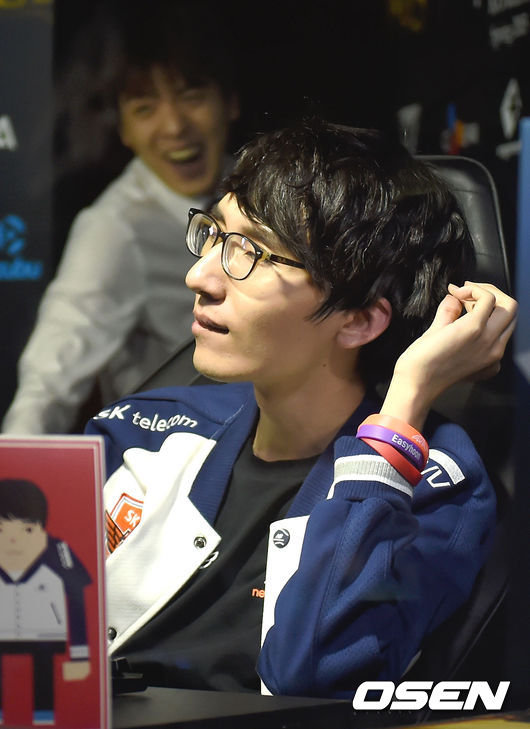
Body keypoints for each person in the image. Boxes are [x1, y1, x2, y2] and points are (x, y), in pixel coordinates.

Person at [87, 119, 517, 698]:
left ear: (358, 320)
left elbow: (316, 676)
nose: (199, 276)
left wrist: (407, 397)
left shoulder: (436, 490)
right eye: (214, 234)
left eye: (252, 253)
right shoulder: (141, 430)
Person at [2, 2, 240, 435]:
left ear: (230, 102)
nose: (174, 126)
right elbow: (51, 375)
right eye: (145, 108)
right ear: (123, 128)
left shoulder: (261, 193)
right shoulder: (115, 229)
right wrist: (18, 466)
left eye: (192, 96)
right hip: (171, 451)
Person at [0, 479, 91, 725]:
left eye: (27, 530)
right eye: (1, 530)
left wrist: (80, 655)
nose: (13, 540)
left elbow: (76, 602)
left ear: (41, 530)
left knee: (44, 682)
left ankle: (45, 717)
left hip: (45, 633)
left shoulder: (58, 552)